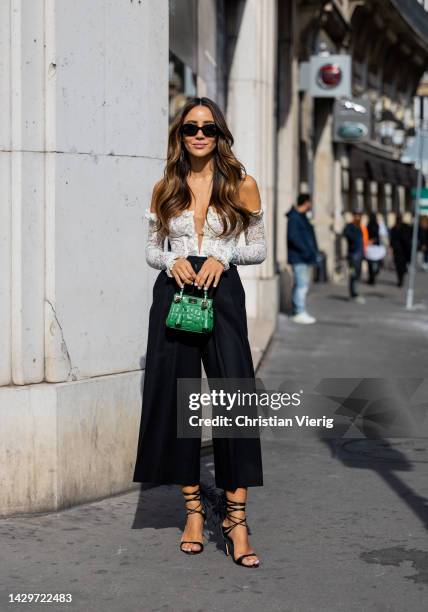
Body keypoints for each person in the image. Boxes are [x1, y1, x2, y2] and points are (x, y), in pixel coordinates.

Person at [133, 97, 266, 568]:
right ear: (180, 135)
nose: (199, 135)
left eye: (208, 128)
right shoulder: (165, 187)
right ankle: (192, 509)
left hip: (223, 297)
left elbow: (260, 249)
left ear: (220, 134)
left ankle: (235, 517)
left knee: (235, 399)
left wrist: (223, 255)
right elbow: (151, 249)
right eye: (191, 127)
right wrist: (174, 260)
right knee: (176, 400)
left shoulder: (241, 183)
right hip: (173, 296)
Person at [286, 193, 320, 324]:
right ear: (306, 203)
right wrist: (306, 250)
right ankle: (299, 312)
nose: (311, 205)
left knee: (301, 285)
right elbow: (293, 237)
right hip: (299, 257)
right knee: (302, 286)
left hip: (303, 257)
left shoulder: (302, 217)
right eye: (310, 202)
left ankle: (298, 310)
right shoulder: (295, 218)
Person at [344, 209, 368, 303]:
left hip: (359, 255)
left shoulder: (360, 227)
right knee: (352, 274)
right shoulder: (350, 226)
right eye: (357, 215)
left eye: (360, 215)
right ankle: (353, 293)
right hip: (352, 256)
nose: (358, 217)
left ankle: (355, 292)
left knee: (357, 274)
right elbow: (347, 235)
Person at [390, 213, 412, 286]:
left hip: (404, 250)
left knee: (402, 266)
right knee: (399, 266)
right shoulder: (394, 228)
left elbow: (408, 238)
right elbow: (392, 240)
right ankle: (400, 279)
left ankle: (401, 279)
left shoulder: (405, 227)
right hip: (398, 251)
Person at [365, 212, 386, 285]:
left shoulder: (368, 225)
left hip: (370, 247)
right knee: (377, 262)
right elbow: (382, 235)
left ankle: (372, 277)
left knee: (370, 264)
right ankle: (374, 274)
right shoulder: (379, 225)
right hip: (376, 247)